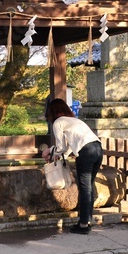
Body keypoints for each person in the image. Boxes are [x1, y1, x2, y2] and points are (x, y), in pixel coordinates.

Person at [44, 98, 103, 234]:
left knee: (84, 188)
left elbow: (61, 147)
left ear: (51, 112)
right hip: (98, 148)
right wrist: (58, 152)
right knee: (89, 187)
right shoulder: (74, 121)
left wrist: (50, 151)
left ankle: (83, 225)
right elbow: (68, 147)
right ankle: (86, 221)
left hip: (86, 152)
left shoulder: (58, 122)